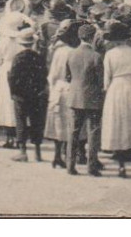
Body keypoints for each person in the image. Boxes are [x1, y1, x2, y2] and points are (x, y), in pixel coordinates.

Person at [101, 20, 131, 178]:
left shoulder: (110, 54)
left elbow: (106, 79)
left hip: (116, 88)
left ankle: (121, 166)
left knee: (118, 125)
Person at [65, 22, 104, 177]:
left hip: (74, 97)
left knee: (73, 132)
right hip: (92, 98)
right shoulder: (96, 56)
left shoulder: (71, 54)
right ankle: (92, 167)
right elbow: (101, 81)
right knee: (93, 132)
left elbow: (67, 76)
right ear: (92, 37)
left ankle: (70, 165)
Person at [8, 26, 49, 163]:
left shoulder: (18, 58)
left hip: (21, 95)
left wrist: (13, 92)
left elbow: (12, 77)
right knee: (37, 121)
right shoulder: (38, 58)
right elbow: (44, 75)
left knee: (21, 122)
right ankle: (37, 152)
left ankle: (23, 151)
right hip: (36, 95)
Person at [0, 2, 29, 148]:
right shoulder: (25, 39)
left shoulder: (4, 41)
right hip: (21, 71)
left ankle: (9, 137)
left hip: (6, 69)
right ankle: (19, 136)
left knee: (5, 103)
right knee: (19, 103)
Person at [45, 19, 78, 169]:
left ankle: (57, 154)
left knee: (58, 123)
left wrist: (52, 89)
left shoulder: (58, 51)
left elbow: (52, 75)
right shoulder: (73, 52)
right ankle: (66, 154)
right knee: (69, 123)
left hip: (57, 88)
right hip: (69, 88)